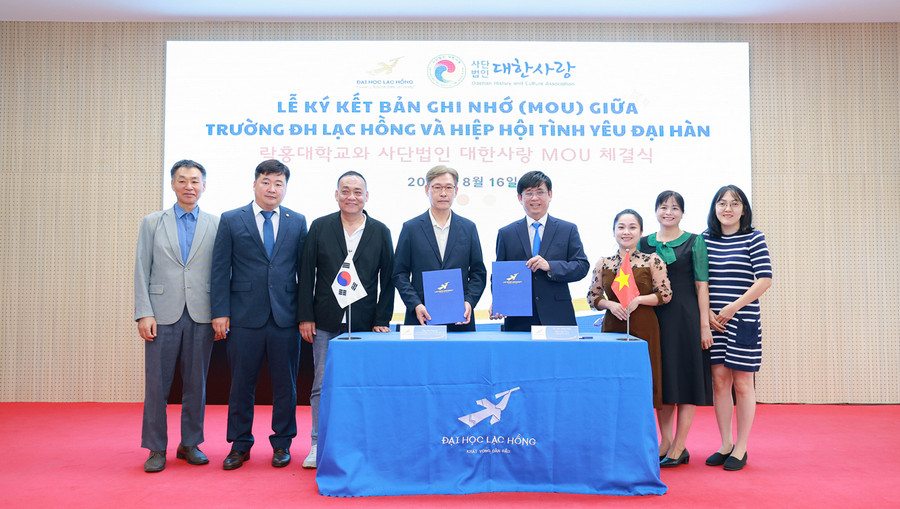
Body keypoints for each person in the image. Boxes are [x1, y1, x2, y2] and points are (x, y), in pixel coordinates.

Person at [210, 159, 308, 470]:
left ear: (285, 188)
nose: (272, 189)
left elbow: (305, 274)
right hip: (243, 317)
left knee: (285, 385)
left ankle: (282, 443)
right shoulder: (231, 219)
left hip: (285, 317)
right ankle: (239, 444)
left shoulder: (297, 221)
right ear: (255, 184)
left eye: (279, 183)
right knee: (241, 384)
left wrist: (305, 314)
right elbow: (219, 269)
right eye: (266, 182)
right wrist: (220, 312)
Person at [297, 171, 394, 469]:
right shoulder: (320, 226)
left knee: (361, 385)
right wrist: (305, 316)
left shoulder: (380, 231)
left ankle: (359, 443)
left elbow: (389, 279)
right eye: (345, 190)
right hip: (325, 320)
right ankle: (317, 443)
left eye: (357, 191)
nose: (351, 196)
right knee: (321, 384)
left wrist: (381, 318)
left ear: (367, 196)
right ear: (336, 194)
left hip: (365, 324)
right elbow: (306, 273)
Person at [134, 159, 219, 473]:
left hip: (202, 313)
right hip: (161, 314)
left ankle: (190, 443)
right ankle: (156, 448)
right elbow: (141, 268)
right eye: (182, 180)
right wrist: (144, 313)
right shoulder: (152, 222)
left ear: (204, 186)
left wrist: (221, 313)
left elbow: (222, 272)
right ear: (172, 184)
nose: (189, 186)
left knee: (197, 383)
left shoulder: (216, 223)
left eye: (195, 181)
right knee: (157, 384)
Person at [638, 191, 714, 468]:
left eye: (674, 208)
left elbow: (701, 285)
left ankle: (680, 445)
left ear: (682, 212)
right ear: (655, 210)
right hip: (654, 318)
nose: (668, 212)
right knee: (664, 380)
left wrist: (704, 326)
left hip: (685, 319)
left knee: (686, 379)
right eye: (663, 207)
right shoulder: (644, 242)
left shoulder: (695, 241)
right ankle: (666, 441)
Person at [702, 185, 772, 471]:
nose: (727, 208)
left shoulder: (754, 237)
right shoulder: (704, 239)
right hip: (714, 322)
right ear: (714, 208)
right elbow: (699, 281)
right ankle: (726, 444)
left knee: (743, 384)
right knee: (720, 382)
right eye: (722, 203)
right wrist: (707, 312)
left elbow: (765, 279)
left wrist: (733, 307)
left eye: (735, 203)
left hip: (743, 319)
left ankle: (741, 447)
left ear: (743, 210)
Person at [587, 209, 672, 410]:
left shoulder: (652, 260)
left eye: (632, 227)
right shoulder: (603, 263)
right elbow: (593, 297)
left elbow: (666, 294)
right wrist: (609, 304)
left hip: (644, 328)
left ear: (641, 232)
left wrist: (640, 299)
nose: (626, 232)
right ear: (614, 231)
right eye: (621, 227)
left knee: (643, 379)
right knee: (612, 378)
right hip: (612, 328)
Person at [492, 170, 590, 331]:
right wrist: (499, 301)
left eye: (540, 192)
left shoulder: (567, 229)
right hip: (519, 318)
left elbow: (581, 267)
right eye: (529, 193)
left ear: (550, 195)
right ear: (520, 198)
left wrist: (551, 266)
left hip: (558, 315)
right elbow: (500, 274)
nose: (535, 198)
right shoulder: (506, 233)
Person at [393, 165, 486, 331]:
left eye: (449, 188)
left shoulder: (468, 227)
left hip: (460, 319)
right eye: (437, 187)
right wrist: (415, 304)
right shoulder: (411, 228)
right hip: (421, 318)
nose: (443, 193)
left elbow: (478, 273)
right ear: (427, 189)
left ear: (456, 191)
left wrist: (469, 302)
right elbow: (400, 274)